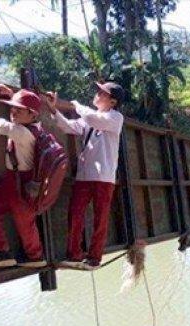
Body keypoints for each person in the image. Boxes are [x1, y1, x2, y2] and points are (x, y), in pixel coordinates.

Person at [45, 82, 125, 270]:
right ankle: (74, 254)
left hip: (104, 177)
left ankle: (94, 257)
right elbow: (68, 127)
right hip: (84, 175)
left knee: (100, 218)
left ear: (112, 101)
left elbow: (91, 117)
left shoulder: (115, 117)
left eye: (102, 93)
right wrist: (53, 108)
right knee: (75, 214)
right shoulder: (90, 120)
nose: (97, 94)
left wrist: (76, 105)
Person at [0, 83, 46, 269]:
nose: (14, 112)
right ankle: (12, 253)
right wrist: (12, 94)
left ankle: (33, 256)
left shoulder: (22, 132)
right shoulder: (35, 126)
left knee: (23, 222)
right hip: (16, 179)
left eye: (19, 110)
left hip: (20, 181)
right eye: (13, 108)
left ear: (32, 115)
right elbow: (18, 116)